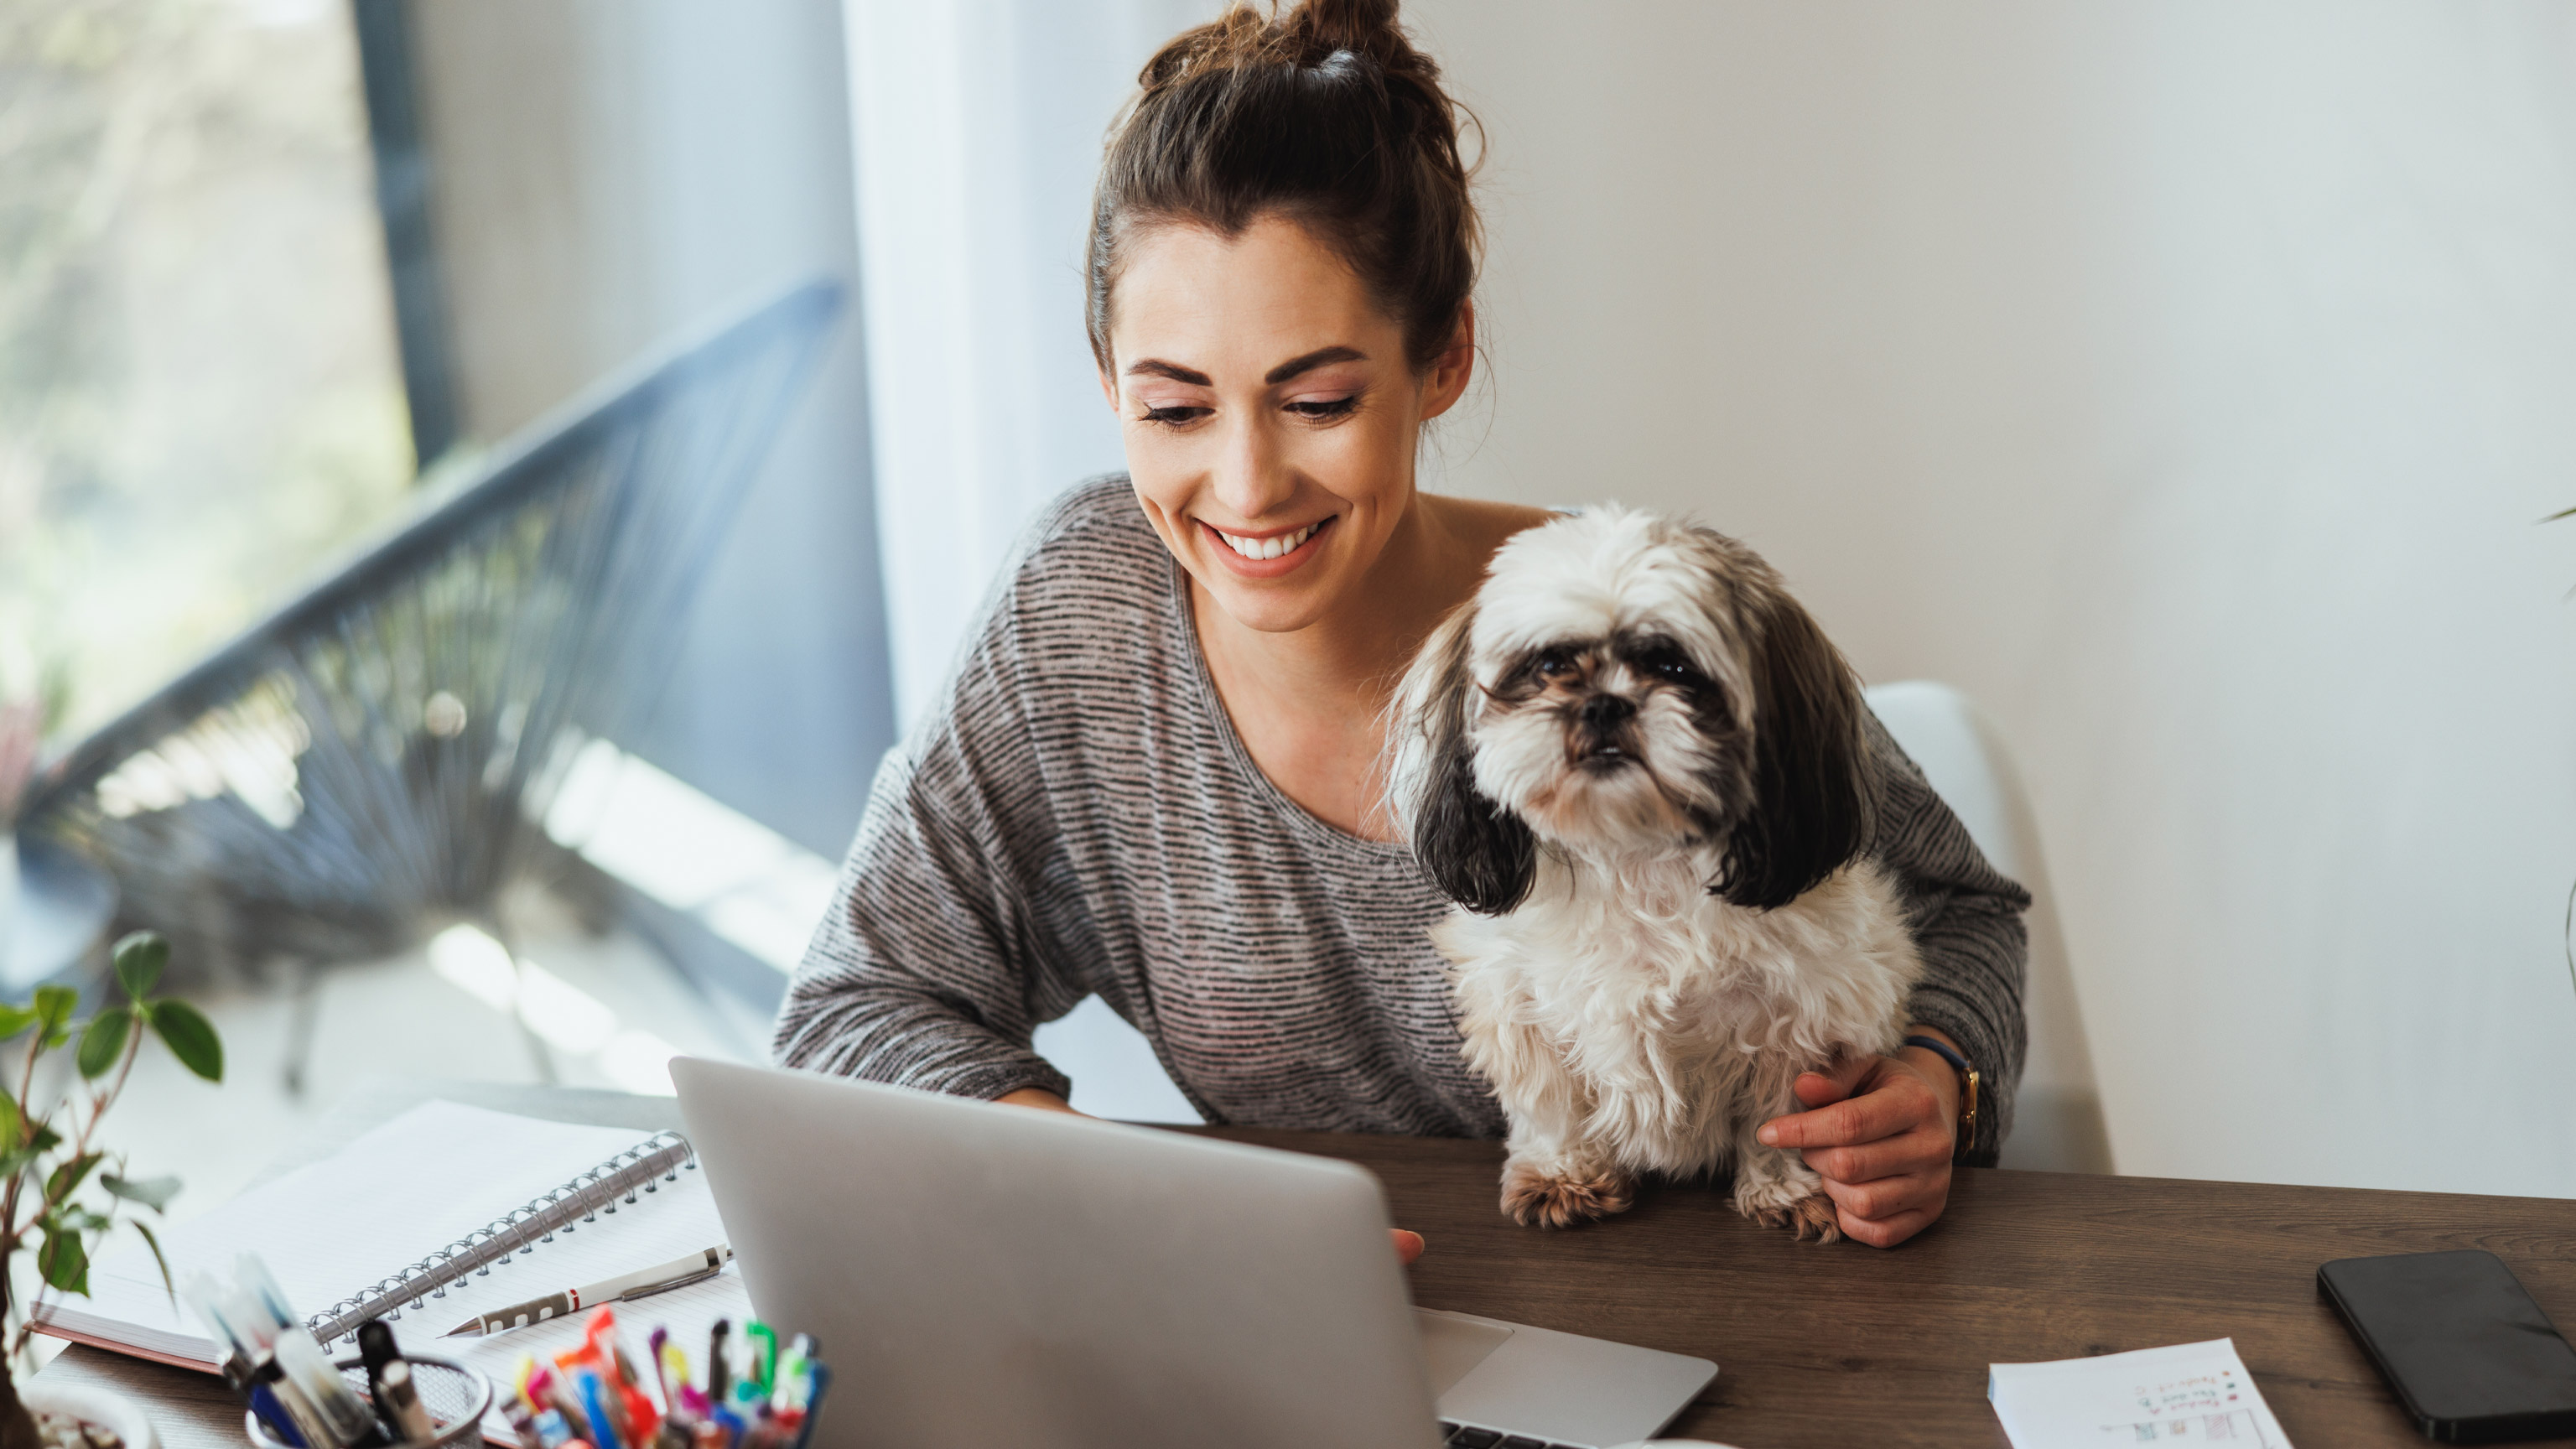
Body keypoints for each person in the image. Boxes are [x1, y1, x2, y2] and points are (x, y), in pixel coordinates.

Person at [774, 0, 2028, 1250]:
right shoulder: (1080, 617)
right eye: (1173, 410)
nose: (1249, 485)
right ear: (1108, 378)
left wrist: (1936, 1079)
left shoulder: (1623, 616)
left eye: (1316, 398)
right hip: (1290, 1321)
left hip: (1715, 1307)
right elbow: (855, 1007)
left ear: (1444, 357)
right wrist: (1156, 1214)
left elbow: (1965, 914)